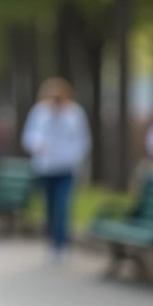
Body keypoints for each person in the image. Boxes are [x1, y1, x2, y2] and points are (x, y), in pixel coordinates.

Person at [21, 77, 91, 259]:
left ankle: (61, 243)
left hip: (66, 168)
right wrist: (39, 145)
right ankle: (52, 240)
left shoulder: (75, 113)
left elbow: (83, 140)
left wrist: (75, 158)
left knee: (62, 204)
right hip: (46, 168)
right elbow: (29, 136)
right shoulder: (40, 112)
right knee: (50, 206)